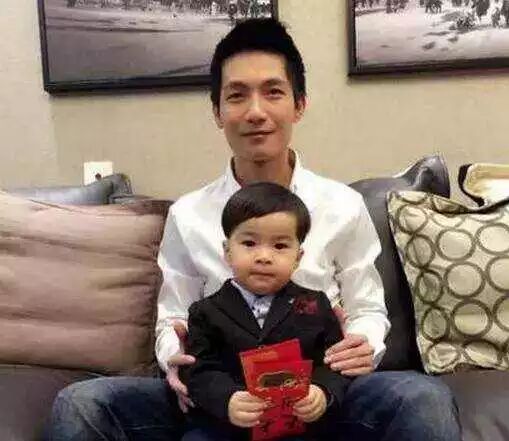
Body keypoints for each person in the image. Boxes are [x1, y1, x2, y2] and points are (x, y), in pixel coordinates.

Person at [47, 18, 461, 441]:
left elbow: (368, 309)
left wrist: (360, 346)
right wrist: (175, 356)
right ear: (217, 112)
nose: (256, 112)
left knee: (423, 398)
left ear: (299, 104)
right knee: (81, 404)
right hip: (218, 396)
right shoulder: (188, 216)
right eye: (237, 95)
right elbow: (173, 318)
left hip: (321, 395)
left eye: (273, 92)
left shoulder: (343, 206)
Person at [181, 182, 351, 441]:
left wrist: (322, 391)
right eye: (249, 243)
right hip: (226, 429)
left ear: (298, 257)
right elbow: (199, 371)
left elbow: (333, 362)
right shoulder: (205, 312)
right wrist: (227, 399)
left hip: (299, 426)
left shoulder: (315, 303)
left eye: (280, 246)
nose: (264, 256)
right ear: (227, 252)